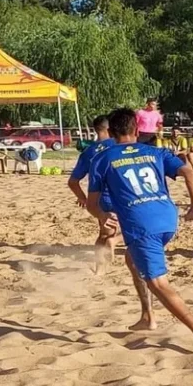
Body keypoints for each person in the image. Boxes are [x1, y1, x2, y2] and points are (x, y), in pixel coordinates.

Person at [87, 108, 193, 353]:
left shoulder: (102, 158)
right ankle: (148, 316)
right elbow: (189, 172)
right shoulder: (155, 151)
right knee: (131, 260)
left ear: (110, 133)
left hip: (141, 223)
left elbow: (92, 202)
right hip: (168, 217)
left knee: (157, 281)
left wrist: (102, 216)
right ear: (137, 130)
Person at [68, 114, 121, 271]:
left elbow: (72, 182)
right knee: (139, 227)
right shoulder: (119, 144)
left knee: (104, 233)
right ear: (110, 128)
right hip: (121, 194)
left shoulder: (88, 151)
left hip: (100, 198)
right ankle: (116, 242)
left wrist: (83, 199)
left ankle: (99, 268)